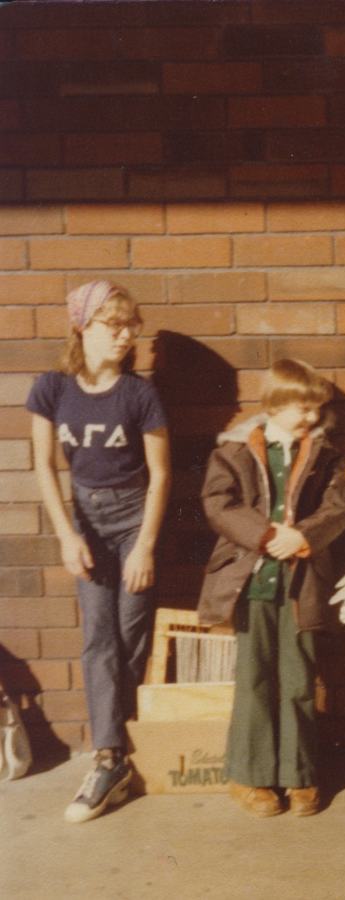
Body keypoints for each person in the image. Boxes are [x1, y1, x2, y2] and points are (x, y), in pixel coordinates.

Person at [27, 281, 171, 823]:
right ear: (82, 327)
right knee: (98, 637)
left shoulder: (139, 395)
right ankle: (108, 757)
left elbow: (160, 475)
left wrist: (147, 546)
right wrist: (67, 534)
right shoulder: (51, 388)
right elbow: (43, 466)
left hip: (136, 519)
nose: (127, 334)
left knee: (130, 635)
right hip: (85, 522)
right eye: (114, 324)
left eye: (132, 324)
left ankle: (127, 746)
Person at [197, 358, 345, 817]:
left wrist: (302, 536)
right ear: (275, 403)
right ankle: (250, 776)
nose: (310, 417)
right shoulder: (234, 449)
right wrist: (266, 536)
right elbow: (218, 503)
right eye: (301, 407)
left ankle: (299, 775)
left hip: (300, 583)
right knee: (255, 678)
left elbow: (339, 508)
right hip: (252, 581)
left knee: (299, 677)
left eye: (315, 409)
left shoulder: (327, 455)